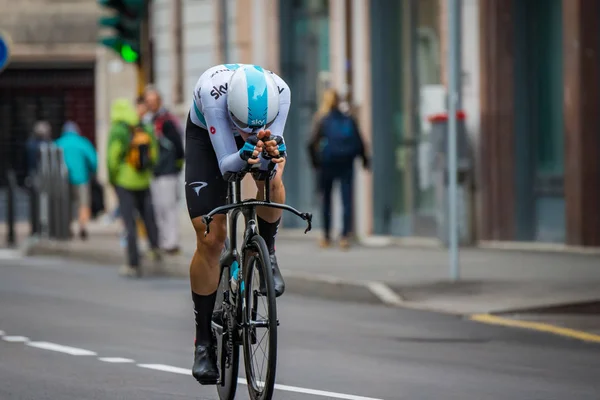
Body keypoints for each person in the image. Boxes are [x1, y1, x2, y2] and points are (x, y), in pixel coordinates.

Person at [185, 63, 289, 385]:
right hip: (208, 139)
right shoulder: (213, 96)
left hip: (250, 137)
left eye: (253, 127)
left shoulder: (281, 93)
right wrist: (245, 153)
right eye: (242, 126)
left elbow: (271, 158)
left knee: (271, 182)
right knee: (211, 240)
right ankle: (204, 340)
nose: (247, 132)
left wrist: (269, 157)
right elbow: (227, 164)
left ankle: (267, 251)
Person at [307, 88, 369, 250]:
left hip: (327, 164)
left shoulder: (322, 119)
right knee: (346, 199)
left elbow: (311, 142)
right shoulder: (348, 119)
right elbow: (360, 141)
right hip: (346, 162)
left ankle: (327, 236)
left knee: (326, 200)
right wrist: (365, 160)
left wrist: (315, 163)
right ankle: (344, 236)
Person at [106, 98, 161, 278]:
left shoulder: (118, 130)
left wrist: (113, 179)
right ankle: (155, 249)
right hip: (143, 180)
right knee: (148, 217)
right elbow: (153, 152)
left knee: (129, 223)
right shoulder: (142, 126)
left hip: (125, 181)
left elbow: (112, 158)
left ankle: (133, 262)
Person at [144, 87, 185, 255]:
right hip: (154, 171)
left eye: (153, 101)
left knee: (168, 207)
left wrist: (176, 166)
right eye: (148, 102)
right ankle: (162, 241)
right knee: (158, 208)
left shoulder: (166, 120)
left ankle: (171, 242)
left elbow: (178, 146)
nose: (151, 104)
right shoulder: (148, 120)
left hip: (168, 171)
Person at [55, 121, 98, 240]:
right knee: (83, 204)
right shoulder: (82, 142)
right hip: (81, 178)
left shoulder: (59, 143)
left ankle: (67, 227)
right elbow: (93, 160)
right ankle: (82, 226)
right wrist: (92, 172)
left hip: (63, 180)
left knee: (65, 204)